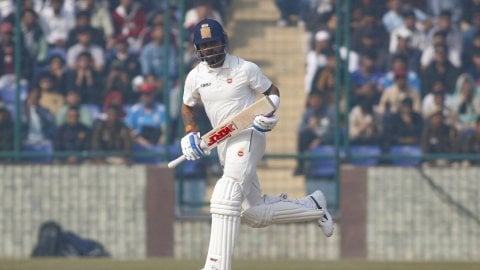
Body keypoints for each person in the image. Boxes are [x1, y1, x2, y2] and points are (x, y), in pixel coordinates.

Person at [179, 19, 333, 270]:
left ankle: (216, 265)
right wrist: (190, 132)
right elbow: (187, 105)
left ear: (224, 42)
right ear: (197, 48)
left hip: (249, 134)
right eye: (205, 46)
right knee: (252, 214)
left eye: (214, 43)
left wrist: (267, 115)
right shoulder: (195, 76)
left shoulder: (244, 68)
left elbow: (272, 93)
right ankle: (313, 207)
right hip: (222, 142)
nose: (210, 49)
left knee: (225, 193)